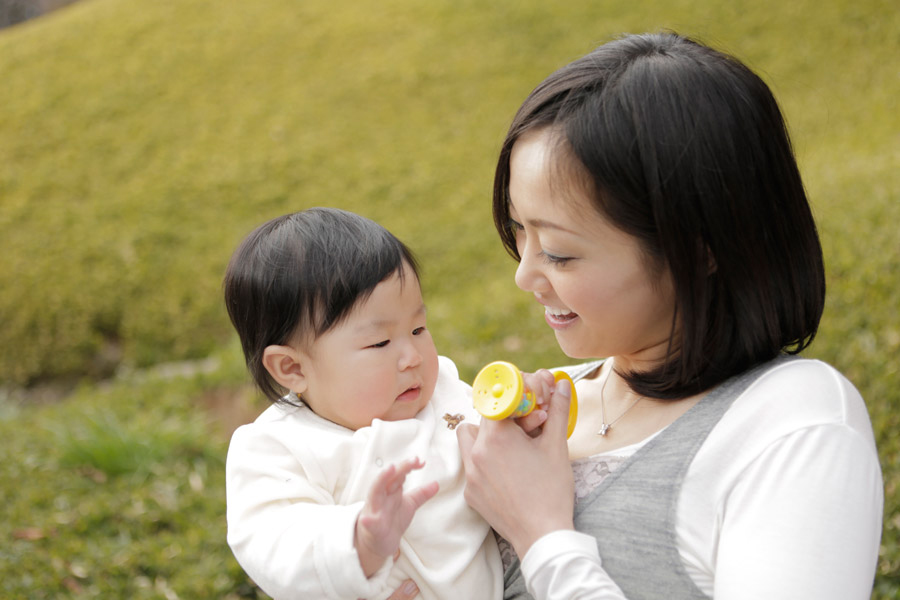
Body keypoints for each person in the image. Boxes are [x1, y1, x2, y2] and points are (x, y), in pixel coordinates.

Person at [456, 31, 884, 600]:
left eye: (559, 251)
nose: (525, 276)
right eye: (518, 232)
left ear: (700, 248)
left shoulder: (794, 426)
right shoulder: (547, 407)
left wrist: (543, 538)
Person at [223, 208, 502, 600]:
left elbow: (501, 446)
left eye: (418, 329)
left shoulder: (445, 396)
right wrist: (361, 540)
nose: (413, 357)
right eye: (380, 343)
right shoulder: (277, 450)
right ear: (292, 367)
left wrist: (521, 416)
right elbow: (274, 542)